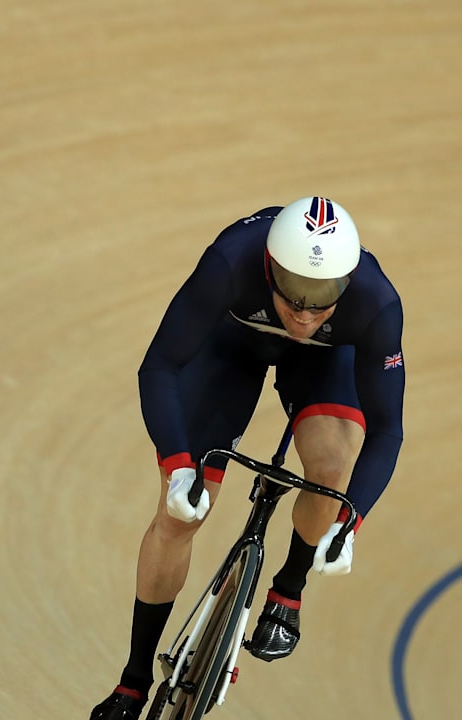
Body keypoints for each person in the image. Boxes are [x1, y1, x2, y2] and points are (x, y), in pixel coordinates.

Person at [90, 197, 406, 719]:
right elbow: (160, 365)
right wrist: (177, 467)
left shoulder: (376, 303)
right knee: (179, 515)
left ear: (347, 282)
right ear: (270, 268)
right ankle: (133, 680)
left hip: (326, 363)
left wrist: (350, 521)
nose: (305, 313)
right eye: (295, 294)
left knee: (331, 468)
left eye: (323, 298)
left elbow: (389, 429)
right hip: (230, 347)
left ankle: (289, 589)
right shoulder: (229, 262)